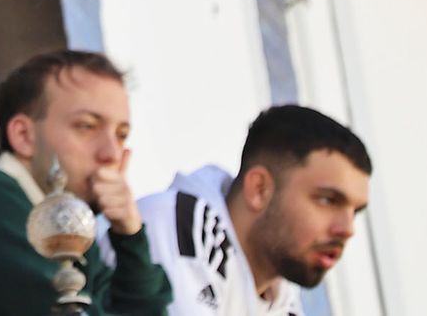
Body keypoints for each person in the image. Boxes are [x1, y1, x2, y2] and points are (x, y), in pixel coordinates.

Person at [0, 50, 173, 315]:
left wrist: (129, 235)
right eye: (87, 126)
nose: (112, 154)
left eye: (121, 134)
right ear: (24, 135)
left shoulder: (74, 234)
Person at [126, 105, 371, 315]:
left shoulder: (282, 301)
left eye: (355, 211)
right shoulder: (176, 223)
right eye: (328, 200)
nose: (347, 229)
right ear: (259, 189)